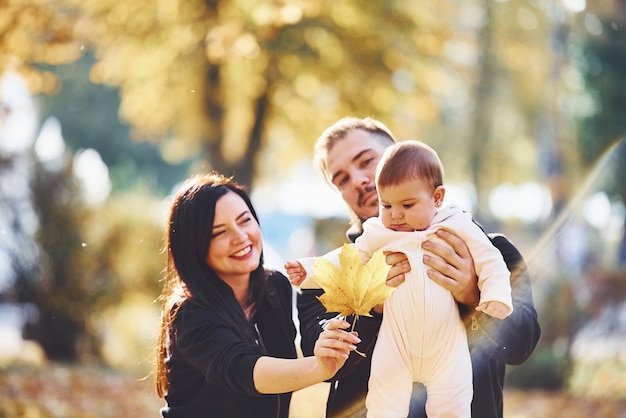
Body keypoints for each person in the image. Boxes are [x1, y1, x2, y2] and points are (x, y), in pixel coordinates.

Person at [290, 117, 541, 418]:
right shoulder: (323, 277)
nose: (356, 180)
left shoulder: (492, 252)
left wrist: (473, 295)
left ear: (401, 153)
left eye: (366, 160)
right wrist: (370, 305)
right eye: (341, 179)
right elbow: (325, 363)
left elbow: (522, 344)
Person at [154, 172, 361, 418]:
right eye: (219, 232)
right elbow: (247, 371)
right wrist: (320, 367)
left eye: (244, 221)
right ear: (194, 246)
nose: (241, 237)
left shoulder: (274, 288)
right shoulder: (189, 313)